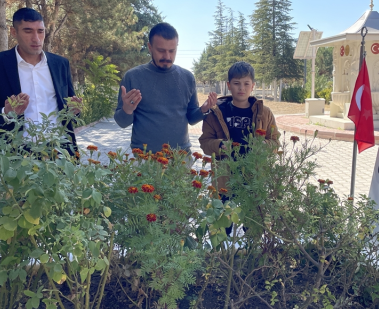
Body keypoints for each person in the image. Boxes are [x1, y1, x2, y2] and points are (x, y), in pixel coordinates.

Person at [0, 8, 81, 152]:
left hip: (60, 150)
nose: (36, 38)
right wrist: (5, 113)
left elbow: (69, 107)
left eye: (40, 31)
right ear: (14, 32)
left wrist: (74, 111)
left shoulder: (60, 64)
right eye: (28, 31)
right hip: (17, 154)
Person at [114, 22, 217, 153]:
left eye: (172, 51)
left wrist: (203, 109)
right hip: (144, 158)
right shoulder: (133, 77)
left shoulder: (187, 77)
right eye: (161, 51)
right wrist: (127, 109)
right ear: (150, 47)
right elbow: (122, 123)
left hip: (180, 158)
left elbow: (191, 118)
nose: (167, 57)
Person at [199, 60, 279, 192]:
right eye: (236, 83)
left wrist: (264, 145)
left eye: (246, 84)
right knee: (223, 212)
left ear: (252, 86)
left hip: (253, 180)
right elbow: (205, 142)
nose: (241, 88)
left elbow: (275, 142)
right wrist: (220, 145)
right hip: (224, 181)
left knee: (252, 212)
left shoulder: (264, 113)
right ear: (229, 85)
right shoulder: (215, 112)